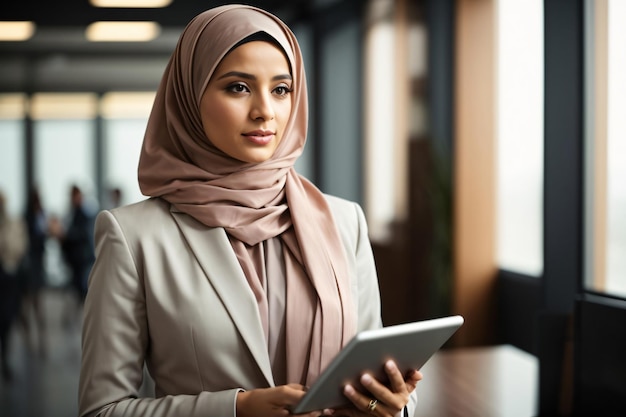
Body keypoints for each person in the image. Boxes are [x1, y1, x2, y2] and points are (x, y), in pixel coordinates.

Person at [78, 4, 421, 417]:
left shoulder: (345, 222)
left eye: (280, 89)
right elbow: (102, 409)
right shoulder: (134, 237)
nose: (265, 111)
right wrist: (235, 410)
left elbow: (371, 370)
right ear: (190, 97)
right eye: (238, 87)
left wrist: (391, 405)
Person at [0, 190, 28, 381]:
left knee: (6, 321)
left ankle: (6, 361)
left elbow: (18, 247)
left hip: (8, 277)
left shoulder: (13, 224)